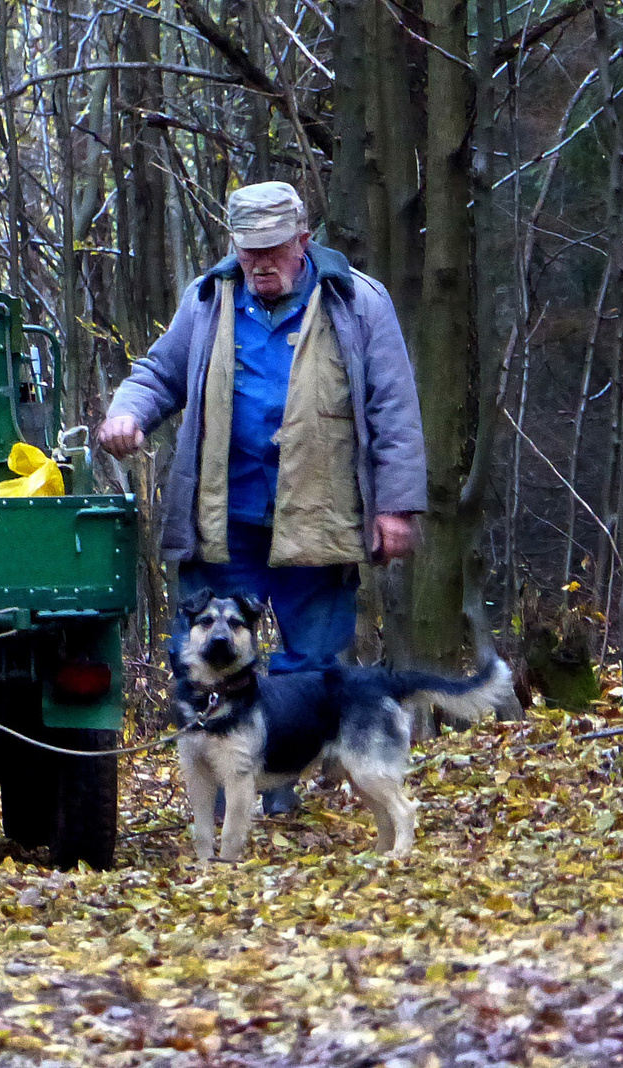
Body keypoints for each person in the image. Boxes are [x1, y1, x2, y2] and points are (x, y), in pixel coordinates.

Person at [97, 181, 427, 814]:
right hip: (224, 521)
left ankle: (278, 789)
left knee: (310, 666)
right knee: (209, 663)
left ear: (303, 240)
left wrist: (395, 507)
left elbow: (395, 411)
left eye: (273, 248)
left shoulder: (357, 301)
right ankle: (224, 799)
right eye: (248, 250)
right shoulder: (208, 299)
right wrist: (128, 414)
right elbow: (159, 374)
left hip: (320, 520)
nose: (259, 262)